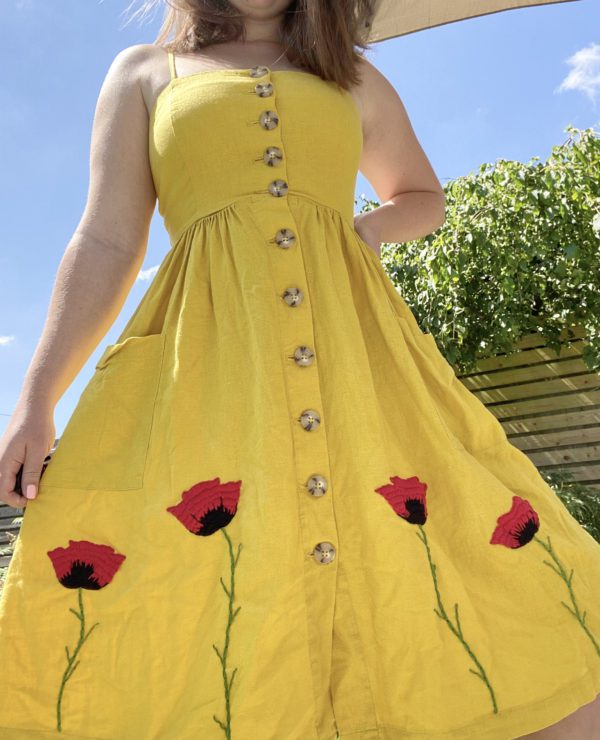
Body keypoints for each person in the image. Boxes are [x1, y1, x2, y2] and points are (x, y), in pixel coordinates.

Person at [0, 1, 599, 738]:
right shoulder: (145, 73)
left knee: (443, 525)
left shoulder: (350, 77)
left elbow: (421, 196)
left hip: (360, 358)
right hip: (209, 369)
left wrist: (361, 232)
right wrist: (37, 397)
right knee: (215, 575)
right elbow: (106, 239)